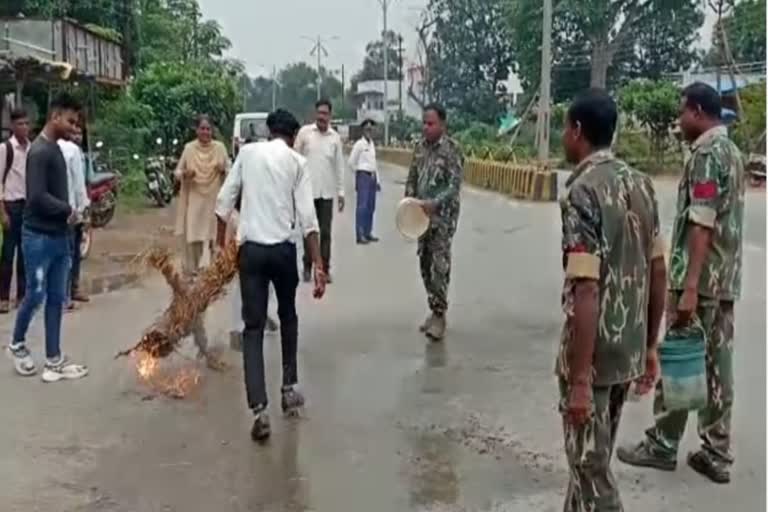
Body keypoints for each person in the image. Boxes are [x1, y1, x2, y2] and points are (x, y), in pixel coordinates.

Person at [617, 82, 745, 485]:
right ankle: (717, 450)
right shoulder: (733, 152)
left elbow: (702, 222)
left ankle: (663, 444)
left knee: (679, 357)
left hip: (702, 279)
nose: (678, 121)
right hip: (723, 279)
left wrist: (688, 285)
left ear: (696, 111)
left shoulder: (708, 155)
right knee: (716, 364)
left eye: (681, 112)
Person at [556, 89, 667, 512]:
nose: (563, 137)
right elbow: (658, 269)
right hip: (627, 350)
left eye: (565, 128)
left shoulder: (582, 192)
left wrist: (580, 379)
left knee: (591, 470)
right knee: (590, 459)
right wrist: (650, 345)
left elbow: (586, 288)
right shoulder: (642, 185)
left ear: (578, 130)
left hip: (593, 354)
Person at [216, 108, 326, 442]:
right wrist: (318, 265)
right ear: (292, 136)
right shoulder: (297, 163)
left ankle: (259, 408)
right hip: (282, 251)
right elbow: (308, 221)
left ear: (268, 132)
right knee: (288, 315)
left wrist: (222, 249)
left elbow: (223, 204)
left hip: (251, 253)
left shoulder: (247, 154)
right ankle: (288, 387)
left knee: (252, 328)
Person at [6, 93, 88, 382]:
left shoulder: (55, 148)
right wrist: (68, 209)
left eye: (76, 123)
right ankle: (16, 344)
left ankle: (54, 358)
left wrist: (69, 217)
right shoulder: (40, 152)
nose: (74, 127)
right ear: (55, 117)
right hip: (38, 237)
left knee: (57, 298)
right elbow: (37, 197)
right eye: (70, 121)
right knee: (36, 293)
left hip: (58, 236)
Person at [404, 103, 463, 341]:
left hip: (442, 218)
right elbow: (412, 177)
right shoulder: (419, 148)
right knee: (425, 264)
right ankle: (433, 307)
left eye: (431, 124)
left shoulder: (452, 150)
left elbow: (454, 185)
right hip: (420, 217)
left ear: (443, 124)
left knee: (439, 266)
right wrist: (408, 201)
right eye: (424, 123)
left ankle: (440, 314)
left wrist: (435, 203)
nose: (426, 128)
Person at [174, 114, 229, 359]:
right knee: (193, 241)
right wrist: (184, 174)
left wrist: (222, 169)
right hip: (195, 202)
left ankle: (215, 277)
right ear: (197, 130)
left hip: (214, 202)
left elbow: (230, 170)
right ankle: (192, 274)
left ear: (212, 131)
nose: (205, 132)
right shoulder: (188, 149)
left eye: (208, 129)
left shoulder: (219, 148)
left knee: (215, 242)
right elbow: (177, 171)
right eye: (202, 128)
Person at [295, 99, 345, 283]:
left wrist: (341, 192)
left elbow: (339, 166)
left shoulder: (335, 138)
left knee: (325, 233)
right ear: (315, 114)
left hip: (326, 194)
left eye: (325, 113)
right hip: (307, 192)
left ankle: (324, 268)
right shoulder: (305, 134)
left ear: (330, 116)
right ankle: (307, 267)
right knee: (309, 231)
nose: (322, 117)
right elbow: (294, 160)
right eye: (319, 113)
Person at [0, 108, 30, 313]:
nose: (24, 127)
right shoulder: (5, 149)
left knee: (25, 254)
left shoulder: (31, 148)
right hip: (11, 206)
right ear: (12, 126)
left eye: (27, 123)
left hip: (27, 206)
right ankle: (3, 297)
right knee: (7, 254)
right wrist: (2, 212)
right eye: (20, 124)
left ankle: (21, 296)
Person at [58, 123, 90, 311]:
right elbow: (78, 185)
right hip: (73, 209)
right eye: (73, 132)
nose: (76, 136)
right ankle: (64, 295)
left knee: (73, 252)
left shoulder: (49, 147)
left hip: (64, 208)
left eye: (79, 133)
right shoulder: (71, 151)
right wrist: (83, 208)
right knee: (68, 253)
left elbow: (85, 181)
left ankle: (71, 290)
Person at [349, 119, 380, 244]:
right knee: (362, 206)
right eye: (367, 129)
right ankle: (360, 234)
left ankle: (368, 232)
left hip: (372, 177)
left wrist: (378, 179)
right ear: (363, 130)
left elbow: (374, 163)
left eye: (371, 129)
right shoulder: (359, 145)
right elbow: (351, 162)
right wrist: (359, 172)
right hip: (363, 176)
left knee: (370, 207)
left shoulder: (371, 144)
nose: (369, 131)